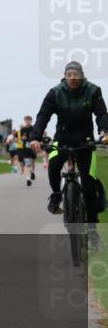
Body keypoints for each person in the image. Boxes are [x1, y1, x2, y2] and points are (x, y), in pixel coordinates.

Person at [30, 61, 108, 246]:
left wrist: (104, 131)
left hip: (85, 140)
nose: (72, 78)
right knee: (54, 166)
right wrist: (35, 137)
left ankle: (92, 230)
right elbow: (43, 116)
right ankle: (57, 194)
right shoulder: (55, 92)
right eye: (69, 74)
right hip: (63, 138)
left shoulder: (93, 90)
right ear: (65, 76)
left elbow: (101, 114)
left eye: (76, 74)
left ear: (81, 75)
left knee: (89, 185)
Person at [18, 115, 37, 185]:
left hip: (33, 148)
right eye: (26, 120)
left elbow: (37, 137)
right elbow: (21, 138)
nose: (27, 122)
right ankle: (28, 179)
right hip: (25, 148)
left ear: (31, 121)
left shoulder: (34, 128)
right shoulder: (23, 130)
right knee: (27, 163)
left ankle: (32, 171)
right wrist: (23, 138)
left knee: (33, 162)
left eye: (29, 120)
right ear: (24, 121)